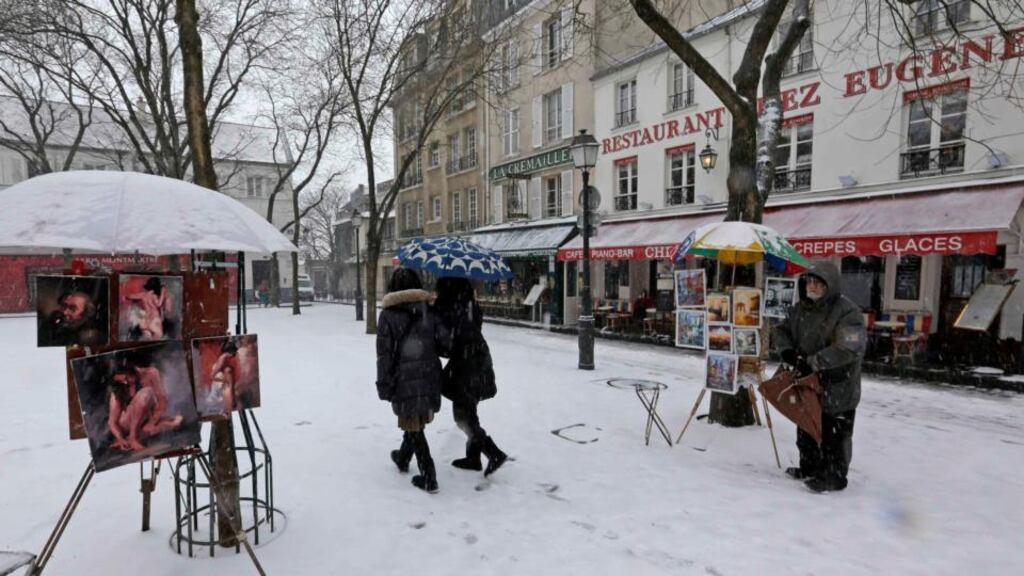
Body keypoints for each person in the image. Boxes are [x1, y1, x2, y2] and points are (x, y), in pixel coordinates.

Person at [773, 261, 866, 493]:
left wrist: (813, 362)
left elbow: (849, 347)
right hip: (807, 383)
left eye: (818, 282)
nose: (811, 286)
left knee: (834, 432)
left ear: (829, 285)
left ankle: (833, 476)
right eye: (809, 281)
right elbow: (780, 330)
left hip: (838, 384)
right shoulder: (799, 309)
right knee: (806, 426)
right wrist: (786, 350)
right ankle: (810, 467)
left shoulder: (847, 311)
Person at [376, 268, 450, 493]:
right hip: (428, 375)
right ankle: (402, 457)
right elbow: (445, 346)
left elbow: (384, 355)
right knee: (414, 419)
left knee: (414, 425)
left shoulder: (388, 315)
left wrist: (384, 383)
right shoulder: (428, 310)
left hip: (403, 377)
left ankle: (429, 477)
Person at [434, 277, 507, 477]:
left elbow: (448, 345)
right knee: (469, 411)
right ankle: (473, 458)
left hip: (466, 366)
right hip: (478, 360)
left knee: (463, 415)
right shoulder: (470, 305)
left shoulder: (449, 308)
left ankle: (494, 453)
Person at [108, 363, 184, 452]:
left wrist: (152, 422)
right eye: (121, 381)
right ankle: (133, 437)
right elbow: (112, 422)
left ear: (131, 370)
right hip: (126, 424)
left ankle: (134, 437)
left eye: (126, 378)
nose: (126, 382)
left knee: (177, 421)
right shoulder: (119, 390)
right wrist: (120, 438)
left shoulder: (151, 373)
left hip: (144, 421)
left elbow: (162, 401)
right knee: (146, 393)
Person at [39, 288, 106, 346]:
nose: (65, 312)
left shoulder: (86, 337)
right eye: (64, 305)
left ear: (84, 314)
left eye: (72, 309)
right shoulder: (52, 322)